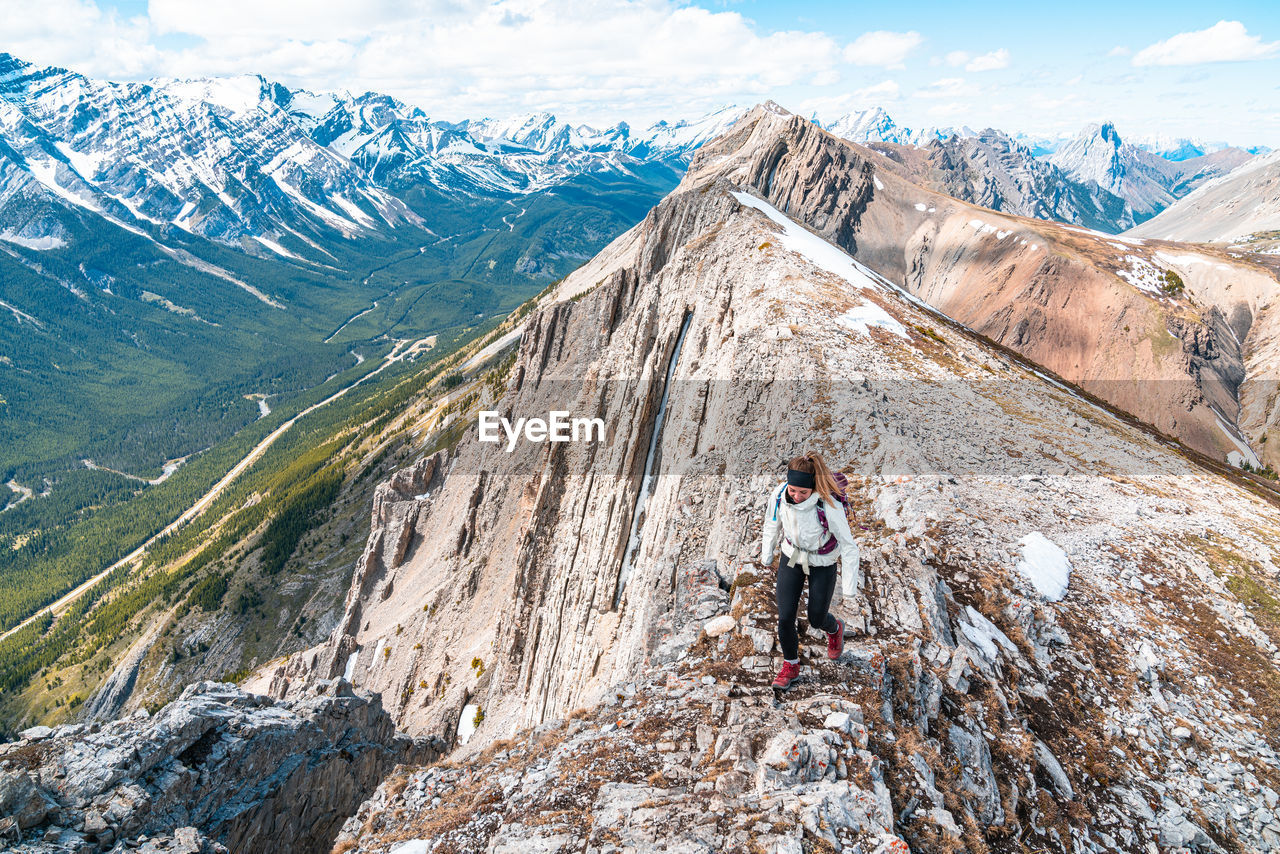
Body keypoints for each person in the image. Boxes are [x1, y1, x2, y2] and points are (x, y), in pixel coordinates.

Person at [758, 452, 859, 690]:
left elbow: (849, 546)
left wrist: (849, 591)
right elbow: (772, 523)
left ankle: (834, 628)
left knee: (816, 618)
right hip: (792, 555)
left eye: (803, 492)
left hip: (822, 562)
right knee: (785, 618)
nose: (796, 495)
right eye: (793, 490)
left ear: (813, 487)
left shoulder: (828, 505)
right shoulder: (780, 495)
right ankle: (790, 665)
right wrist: (767, 554)